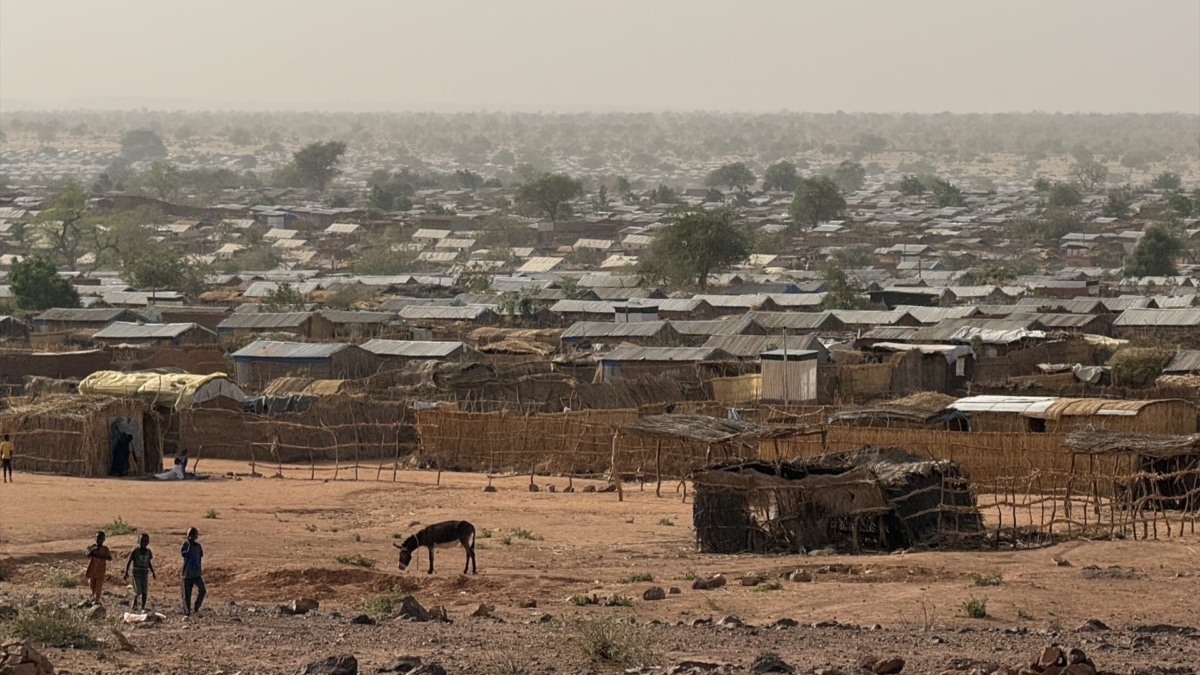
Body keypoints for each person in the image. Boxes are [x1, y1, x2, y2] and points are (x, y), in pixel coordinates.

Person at [123, 533, 156, 611]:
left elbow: (148, 562)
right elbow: (129, 561)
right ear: (138, 541)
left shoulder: (148, 552)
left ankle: (143, 607)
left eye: (145, 541)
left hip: (144, 574)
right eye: (142, 541)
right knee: (138, 590)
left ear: (148, 542)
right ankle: (134, 601)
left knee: (144, 591)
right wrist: (126, 571)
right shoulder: (135, 551)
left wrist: (153, 572)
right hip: (136, 574)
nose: (143, 543)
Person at [180, 527, 205, 617]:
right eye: (190, 534)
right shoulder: (185, 545)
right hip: (187, 574)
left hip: (196, 573)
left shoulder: (198, 547)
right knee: (187, 595)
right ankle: (187, 613)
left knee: (202, 590)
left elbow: (200, 557)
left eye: (194, 535)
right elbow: (184, 554)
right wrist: (190, 545)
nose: (192, 537)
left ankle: (196, 606)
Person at [85, 531, 113, 605]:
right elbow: (87, 555)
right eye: (97, 538)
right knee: (91, 583)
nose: (99, 540)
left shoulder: (105, 549)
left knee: (99, 585)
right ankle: (93, 595)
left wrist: (99, 556)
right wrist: (92, 550)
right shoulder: (93, 547)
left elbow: (109, 558)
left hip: (101, 570)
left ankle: (97, 599)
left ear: (104, 539)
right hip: (93, 569)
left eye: (101, 538)